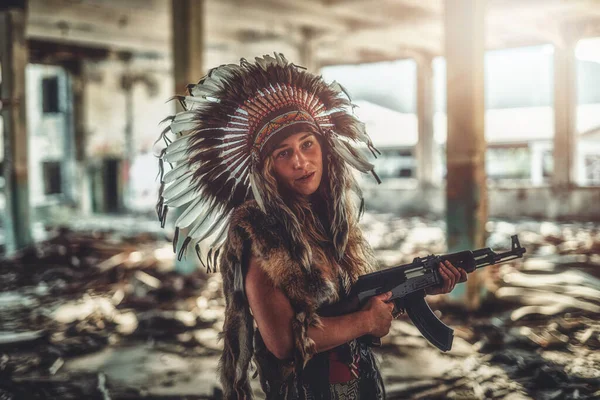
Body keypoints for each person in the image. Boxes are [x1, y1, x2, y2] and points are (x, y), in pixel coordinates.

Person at [156, 53, 467, 400]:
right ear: (266, 169)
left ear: (324, 148)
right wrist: (365, 323)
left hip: (356, 383)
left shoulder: (328, 220)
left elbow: (348, 304)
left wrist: (420, 288)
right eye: (284, 153)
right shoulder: (262, 234)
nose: (301, 161)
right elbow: (283, 343)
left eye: (307, 144)